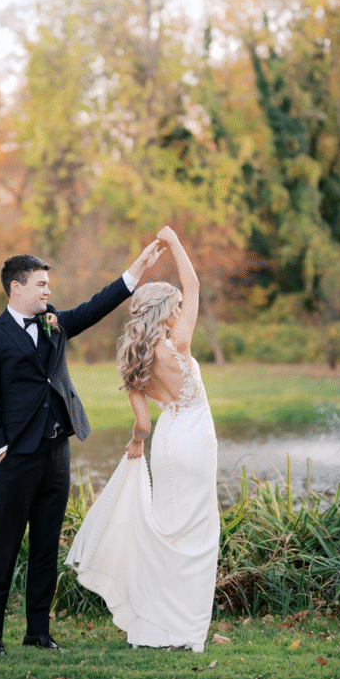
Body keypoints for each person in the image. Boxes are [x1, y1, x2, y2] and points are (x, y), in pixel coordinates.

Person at [0, 241, 164, 658]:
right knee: (3, 548)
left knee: (46, 546)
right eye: (40, 284)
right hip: (15, 458)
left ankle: (38, 632)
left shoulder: (54, 323)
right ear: (15, 288)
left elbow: (96, 307)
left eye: (48, 284)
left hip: (57, 453)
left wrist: (135, 272)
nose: (47, 291)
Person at [66, 227, 220, 652]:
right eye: (176, 303)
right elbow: (194, 282)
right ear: (165, 309)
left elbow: (144, 426)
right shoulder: (180, 345)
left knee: (166, 528)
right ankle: (186, 630)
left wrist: (136, 446)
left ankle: (156, 624)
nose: (181, 305)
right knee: (197, 535)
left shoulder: (133, 357)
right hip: (195, 439)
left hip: (167, 442)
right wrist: (173, 242)